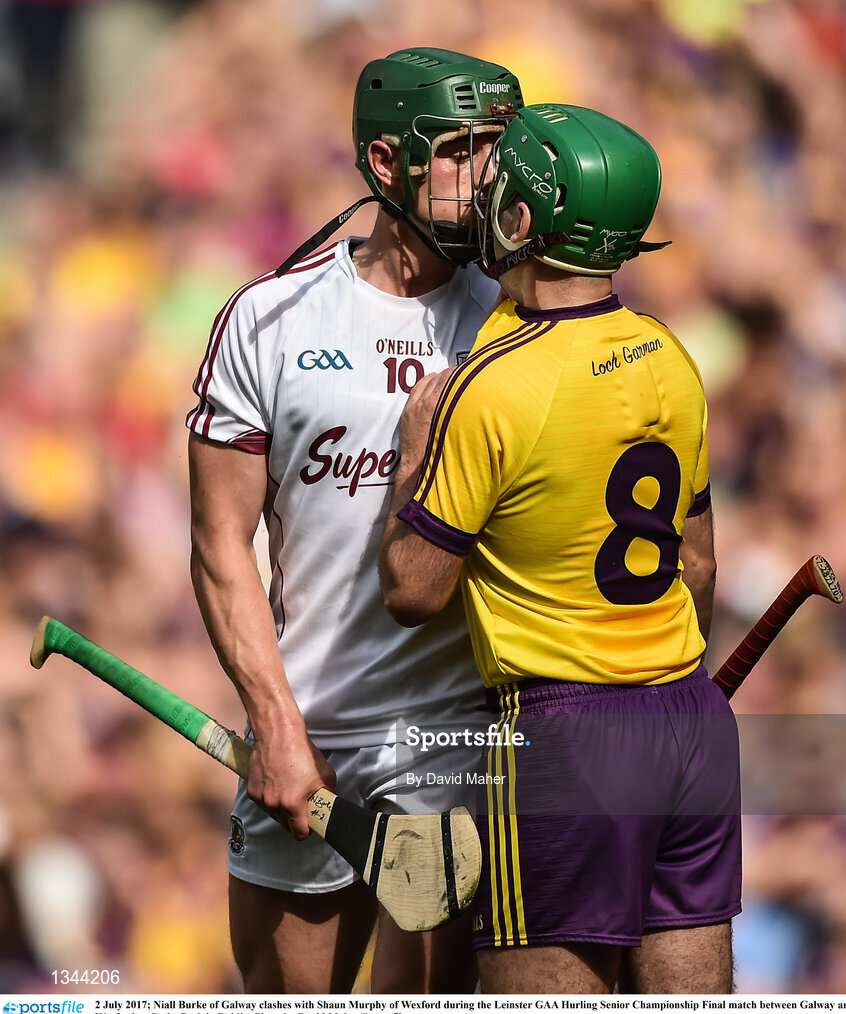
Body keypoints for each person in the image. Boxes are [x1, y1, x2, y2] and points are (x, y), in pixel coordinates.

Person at [379, 103, 742, 994]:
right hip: (691, 721)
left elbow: (413, 591)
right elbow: (696, 569)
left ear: (522, 219)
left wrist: (414, 452)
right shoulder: (671, 354)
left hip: (561, 736)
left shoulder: (491, 385)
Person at [185, 48, 523, 993]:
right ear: (386, 164)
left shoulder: (518, 322)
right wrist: (275, 722)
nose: (493, 174)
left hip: (455, 743)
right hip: (310, 742)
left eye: (504, 148)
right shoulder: (268, 319)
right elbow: (220, 546)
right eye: (465, 149)